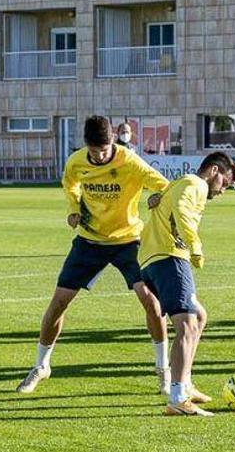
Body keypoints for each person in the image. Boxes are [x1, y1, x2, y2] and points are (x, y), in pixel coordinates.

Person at [16, 116, 171, 395]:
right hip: (89, 240)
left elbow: (163, 185)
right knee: (59, 301)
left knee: (150, 299)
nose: (99, 156)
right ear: (86, 145)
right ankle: (41, 366)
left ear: (113, 140)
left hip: (129, 240)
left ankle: (163, 370)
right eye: (94, 151)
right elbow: (70, 184)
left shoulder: (129, 161)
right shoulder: (76, 161)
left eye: (104, 150)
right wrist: (73, 208)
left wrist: (157, 198)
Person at [138, 152, 235, 415]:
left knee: (199, 317)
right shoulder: (196, 184)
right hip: (169, 257)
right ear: (214, 171)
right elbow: (181, 211)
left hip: (152, 258)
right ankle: (178, 398)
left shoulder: (180, 183)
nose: (223, 190)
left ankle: (185, 383)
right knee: (187, 325)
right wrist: (195, 246)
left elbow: (165, 201)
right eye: (225, 184)